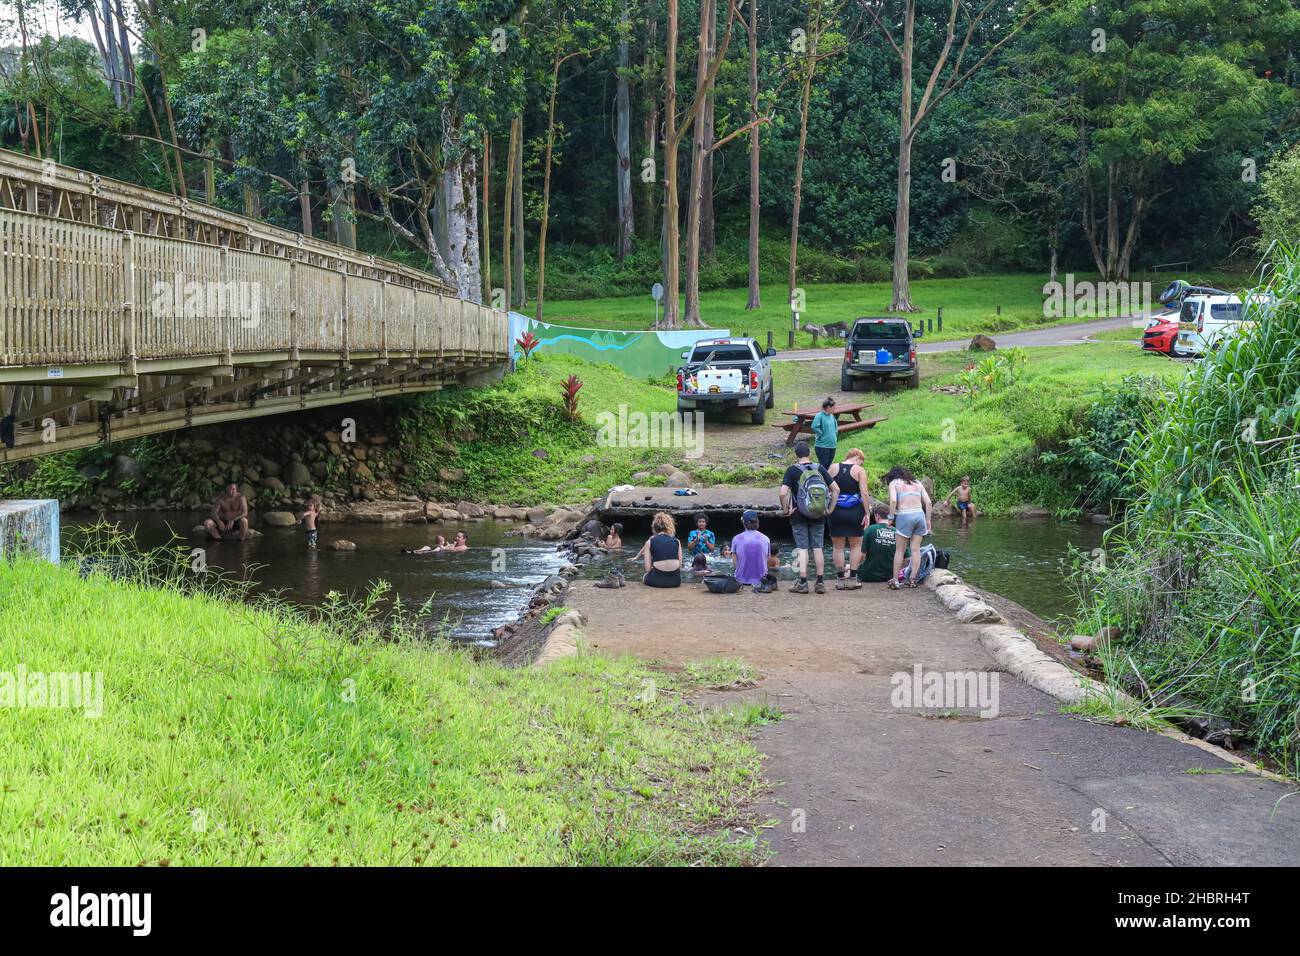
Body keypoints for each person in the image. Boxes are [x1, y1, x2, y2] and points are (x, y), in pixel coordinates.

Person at [780, 440, 837, 594]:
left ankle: (803, 582)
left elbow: (783, 493)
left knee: (803, 548)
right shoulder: (819, 468)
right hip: (818, 515)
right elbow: (835, 489)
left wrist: (786, 510)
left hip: (799, 514)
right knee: (818, 547)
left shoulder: (792, 470)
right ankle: (820, 583)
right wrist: (829, 509)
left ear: (796, 454)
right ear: (809, 453)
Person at [827, 448, 868, 589]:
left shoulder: (832, 468)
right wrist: (867, 513)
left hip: (835, 511)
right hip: (855, 512)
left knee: (838, 547)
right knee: (855, 546)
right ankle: (852, 579)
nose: (861, 465)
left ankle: (840, 580)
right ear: (857, 457)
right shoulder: (859, 471)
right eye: (861, 462)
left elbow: (826, 490)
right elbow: (864, 494)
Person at [886, 466, 931, 589]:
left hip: (904, 515)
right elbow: (928, 503)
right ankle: (912, 579)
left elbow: (894, 501)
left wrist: (890, 518)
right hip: (919, 515)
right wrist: (928, 521)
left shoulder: (894, 483)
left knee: (899, 550)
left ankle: (895, 580)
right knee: (915, 549)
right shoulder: (917, 482)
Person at [635, 512, 682, 588]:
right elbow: (679, 566)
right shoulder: (677, 541)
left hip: (657, 581)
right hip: (676, 581)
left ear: (654, 527)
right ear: (670, 526)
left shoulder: (649, 542)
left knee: (645, 576)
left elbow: (647, 569)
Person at [730, 510, 771, 587]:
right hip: (761, 580)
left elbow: (735, 561)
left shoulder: (736, 538)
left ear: (743, 522)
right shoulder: (766, 538)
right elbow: (768, 560)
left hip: (741, 579)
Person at [857, 505, 897, 583]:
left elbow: (862, 555)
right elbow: (907, 558)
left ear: (877, 516)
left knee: (848, 572)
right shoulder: (897, 531)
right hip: (890, 576)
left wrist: (851, 567)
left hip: (868, 576)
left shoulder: (870, 529)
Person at [810, 397, 839, 470]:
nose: (835, 409)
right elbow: (814, 427)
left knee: (828, 466)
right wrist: (821, 433)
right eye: (834, 407)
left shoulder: (832, 416)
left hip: (832, 445)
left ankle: (827, 481)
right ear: (829, 407)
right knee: (824, 467)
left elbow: (835, 427)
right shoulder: (819, 415)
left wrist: (835, 435)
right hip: (822, 446)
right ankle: (821, 480)